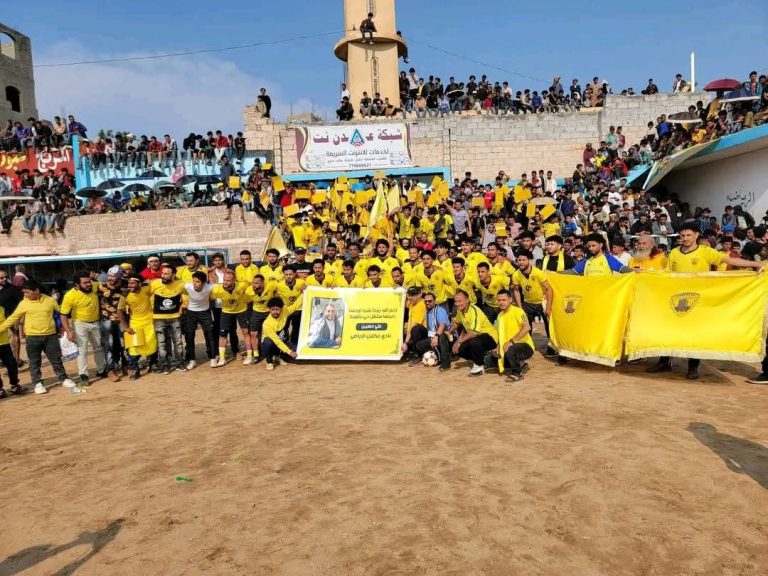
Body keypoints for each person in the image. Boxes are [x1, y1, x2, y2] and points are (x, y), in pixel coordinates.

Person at [648, 222, 765, 379]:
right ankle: (665, 361)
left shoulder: (705, 251)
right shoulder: (674, 253)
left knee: (695, 333)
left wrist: (757, 264)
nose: (685, 238)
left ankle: (693, 366)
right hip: (677, 299)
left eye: (689, 235)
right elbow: (667, 275)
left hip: (698, 299)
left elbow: (730, 261)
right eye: (682, 235)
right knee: (671, 330)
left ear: (696, 235)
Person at [0, 279, 77, 394]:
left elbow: (62, 313)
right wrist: (1, 328)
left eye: (27, 292)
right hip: (32, 338)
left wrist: (65, 327)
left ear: (36, 290)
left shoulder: (50, 300)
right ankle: (37, 383)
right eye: (24, 293)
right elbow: (12, 318)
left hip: (50, 336)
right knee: (34, 362)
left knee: (56, 359)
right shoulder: (24, 303)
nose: (25, 295)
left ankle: (64, 378)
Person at [60, 270, 111, 386]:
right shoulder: (69, 296)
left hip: (95, 322)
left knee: (98, 347)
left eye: (89, 281)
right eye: (85, 283)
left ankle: (101, 370)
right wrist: (68, 331)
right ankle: (84, 375)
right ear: (77, 284)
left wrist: (98, 277)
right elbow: (63, 315)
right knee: (82, 350)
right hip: (80, 324)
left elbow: (109, 283)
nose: (88, 284)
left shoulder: (94, 286)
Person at [511, 249, 553, 352]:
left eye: (523, 260)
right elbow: (516, 290)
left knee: (549, 325)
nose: (521, 262)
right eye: (519, 260)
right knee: (525, 325)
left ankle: (552, 346)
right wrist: (520, 307)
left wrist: (548, 307)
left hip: (541, 302)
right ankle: (527, 346)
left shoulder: (538, 272)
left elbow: (549, 289)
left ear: (529, 260)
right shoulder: (516, 274)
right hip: (528, 303)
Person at [449, 289, 498, 376]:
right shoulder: (460, 310)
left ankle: (479, 366)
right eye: (455, 301)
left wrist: (459, 341)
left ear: (467, 300)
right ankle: (486, 359)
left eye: (460, 301)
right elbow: (457, 323)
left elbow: (474, 332)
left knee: (474, 342)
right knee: (459, 350)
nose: (457, 304)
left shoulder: (474, 310)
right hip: (477, 337)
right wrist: (448, 332)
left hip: (490, 337)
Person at [148, 264, 188, 374]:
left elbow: (189, 294)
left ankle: (180, 363)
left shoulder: (180, 284)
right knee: (161, 343)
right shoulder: (154, 284)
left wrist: (184, 305)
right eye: (162, 273)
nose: (163, 275)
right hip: (158, 318)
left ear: (173, 275)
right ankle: (165, 366)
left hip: (175, 318)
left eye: (166, 274)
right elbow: (145, 295)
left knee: (178, 342)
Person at [118, 274, 158, 380]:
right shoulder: (125, 294)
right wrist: (126, 327)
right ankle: (135, 369)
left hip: (149, 322)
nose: (129, 285)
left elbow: (158, 283)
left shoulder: (147, 289)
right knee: (134, 348)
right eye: (129, 283)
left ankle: (153, 365)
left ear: (139, 284)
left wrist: (149, 282)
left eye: (132, 283)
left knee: (152, 344)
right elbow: (119, 311)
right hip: (135, 324)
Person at [210, 269, 252, 367]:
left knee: (246, 332)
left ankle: (250, 356)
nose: (225, 282)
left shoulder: (242, 285)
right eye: (224, 280)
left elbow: (252, 288)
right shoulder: (217, 289)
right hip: (226, 312)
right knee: (223, 334)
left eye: (228, 280)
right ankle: (222, 358)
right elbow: (210, 298)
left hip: (241, 310)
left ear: (234, 281)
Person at [494, 289, 535, 381]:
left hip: (525, 346)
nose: (501, 302)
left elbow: (527, 327)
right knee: (489, 360)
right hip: (506, 347)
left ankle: (517, 373)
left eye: (504, 300)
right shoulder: (500, 315)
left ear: (510, 300)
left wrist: (511, 342)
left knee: (511, 350)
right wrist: (497, 347)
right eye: (499, 300)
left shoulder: (518, 311)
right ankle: (522, 364)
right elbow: (500, 334)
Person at [97, 266, 127, 380]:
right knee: (109, 345)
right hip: (106, 320)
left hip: (121, 319)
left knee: (123, 344)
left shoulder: (125, 286)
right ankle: (110, 370)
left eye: (113, 276)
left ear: (119, 277)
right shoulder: (101, 286)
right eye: (109, 275)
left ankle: (125, 366)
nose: (110, 278)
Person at [182, 271, 216, 370]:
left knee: (210, 334)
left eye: (197, 282)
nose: (194, 284)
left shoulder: (209, 287)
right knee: (190, 335)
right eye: (193, 281)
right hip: (191, 312)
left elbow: (222, 285)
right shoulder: (188, 286)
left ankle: (213, 358)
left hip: (205, 312)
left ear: (204, 283)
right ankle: (192, 360)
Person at [413, 291, 452, 370]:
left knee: (442, 337)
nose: (427, 303)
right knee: (418, 340)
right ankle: (425, 356)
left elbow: (443, 324)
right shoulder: (426, 311)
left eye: (430, 301)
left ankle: (445, 362)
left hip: (446, 337)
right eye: (425, 301)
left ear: (435, 301)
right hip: (432, 336)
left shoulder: (440, 310)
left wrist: (436, 336)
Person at [567, 233, 634, 276]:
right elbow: (573, 271)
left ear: (601, 245)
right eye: (589, 246)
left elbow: (622, 269)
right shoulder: (587, 261)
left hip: (604, 293)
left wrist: (635, 271)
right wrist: (559, 273)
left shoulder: (608, 258)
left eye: (593, 246)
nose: (590, 248)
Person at [261, 297, 300, 370]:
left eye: (277, 309)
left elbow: (295, 306)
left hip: (282, 341)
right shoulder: (266, 324)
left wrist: (304, 293)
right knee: (268, 341)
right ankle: (269, 361)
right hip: (272, 343)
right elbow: (277, 341)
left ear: (281, 309)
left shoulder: (285, 312)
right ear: (269, 309)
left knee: (298, 349)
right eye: (273, 309)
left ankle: (277, 357)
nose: (275, 312)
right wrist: (289, 352)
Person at [401, 286, 427, 364]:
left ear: (420, 294)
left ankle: (418, 355)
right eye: (409, 295)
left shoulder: (421, 305)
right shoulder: (412, 303)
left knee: (416, 329)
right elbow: (402, 302)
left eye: (413, 295)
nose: (410, 297)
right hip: (414, 332)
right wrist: (401, 291)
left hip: (424, 334)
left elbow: (414, 325)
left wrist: (406, 342)